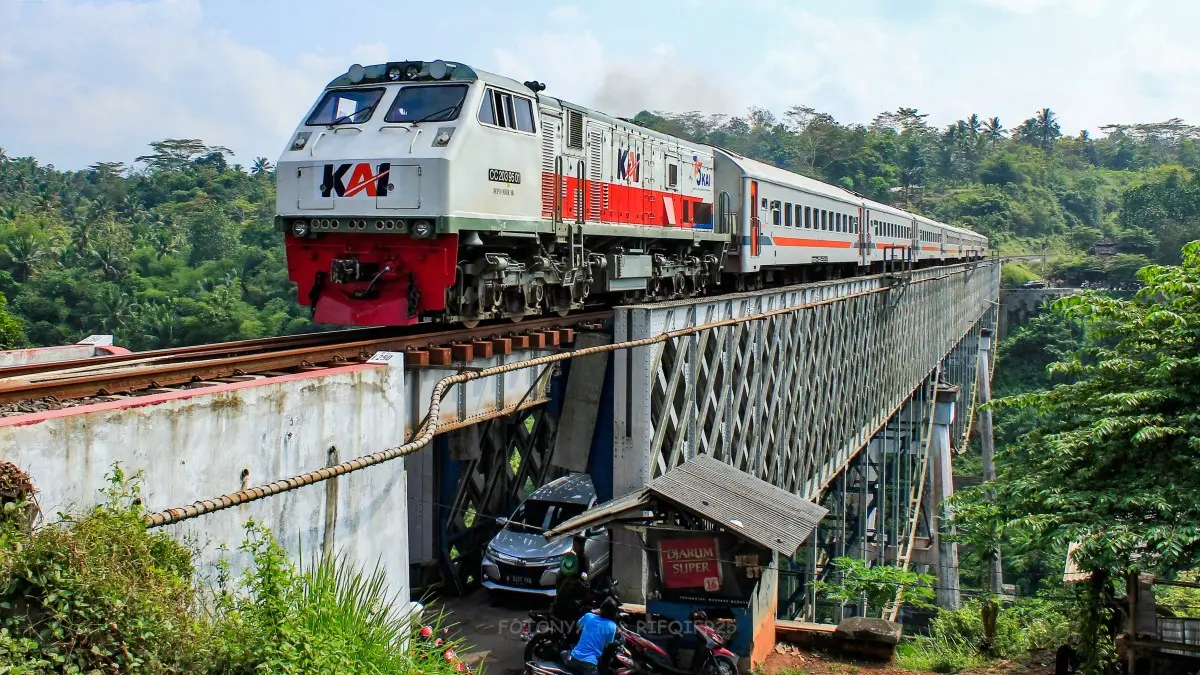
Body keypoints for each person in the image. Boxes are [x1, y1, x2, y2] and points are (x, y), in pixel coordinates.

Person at [560, 597, 619, 675]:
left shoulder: (588, 616)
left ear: (601, 608)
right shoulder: (612, 626)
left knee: (563, 652)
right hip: (589, 664)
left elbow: (578, 625)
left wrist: (593, 611)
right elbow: (606, 645)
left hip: (573, 660)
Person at [552, 552, 589, 625]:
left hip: (557, 605)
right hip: (566, 610)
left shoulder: (560, 574)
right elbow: (584, 593)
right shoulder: (574, 582)